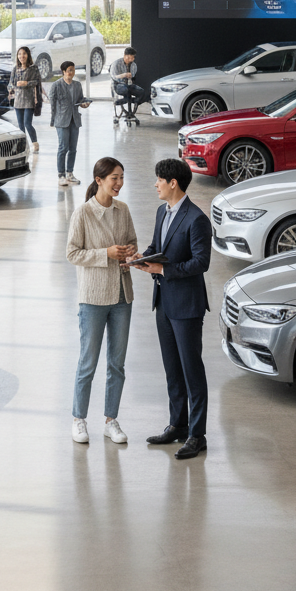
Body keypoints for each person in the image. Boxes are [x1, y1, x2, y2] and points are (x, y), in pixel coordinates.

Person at [130, 158, 212, 460]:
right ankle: (177, 425)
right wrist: (143, 257)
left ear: (172, 183)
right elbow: (157, 247)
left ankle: (197, 435)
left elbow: (201, 263)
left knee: (192, 371)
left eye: (159, 181)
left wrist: (164, 271)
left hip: (187, 306)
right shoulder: (161, 212)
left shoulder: (196, 219)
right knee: (172, 370)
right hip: (163, 303)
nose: (155, 185)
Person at [66, 157, 138, 445]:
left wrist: (131, 251)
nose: (119, 183)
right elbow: (72, 254)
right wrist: (105, 254)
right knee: (88, 363)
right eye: (114, 178)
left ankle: (111, 420)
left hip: (122, 295)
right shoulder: (82, 213)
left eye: (122, 177)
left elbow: (133, 241)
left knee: (117, 364)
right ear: (99, 181)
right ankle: (78, 419)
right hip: (93, 298)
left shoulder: (124, 210)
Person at [50, 61, 91, 186]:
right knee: (63, 148)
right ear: (63, 71)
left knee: (73, 149)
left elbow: (80, 100)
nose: (71, 72)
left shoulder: (77, 85)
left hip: (75, 119)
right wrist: (53, 120)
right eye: (69, 70)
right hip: (61, 120)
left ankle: (70, 173)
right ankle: (61, 175)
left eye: (73, 70)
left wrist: (84, 104)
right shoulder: (56, 85)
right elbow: (52, 105)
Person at [9, 46, 42, 153]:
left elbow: (37, 81)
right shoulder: (15, 69)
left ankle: (35, 143)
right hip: (18, 100)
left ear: (28, 55)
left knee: (27, 123)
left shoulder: (33, 68)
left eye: (24, 54)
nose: (21, 56)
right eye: (19, 54)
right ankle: (22, 146)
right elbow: (11, 84)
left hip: (29, 100)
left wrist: (26, 83)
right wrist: (11, 89)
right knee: (20, 126)